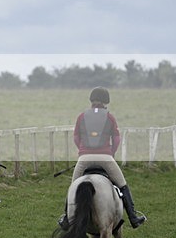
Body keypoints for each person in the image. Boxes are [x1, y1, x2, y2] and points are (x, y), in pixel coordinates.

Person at [57, 87, 146, 230]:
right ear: (105, 102)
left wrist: (83, 150)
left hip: (84, 158)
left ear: (91, 101)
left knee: (73, 187)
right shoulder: (110, 117)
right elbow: (116, 139)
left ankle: (66, 218)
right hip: (105, 157)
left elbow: (76, 138)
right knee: (123, 185)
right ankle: (133, 217)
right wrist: (110, 152)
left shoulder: (81, 117)